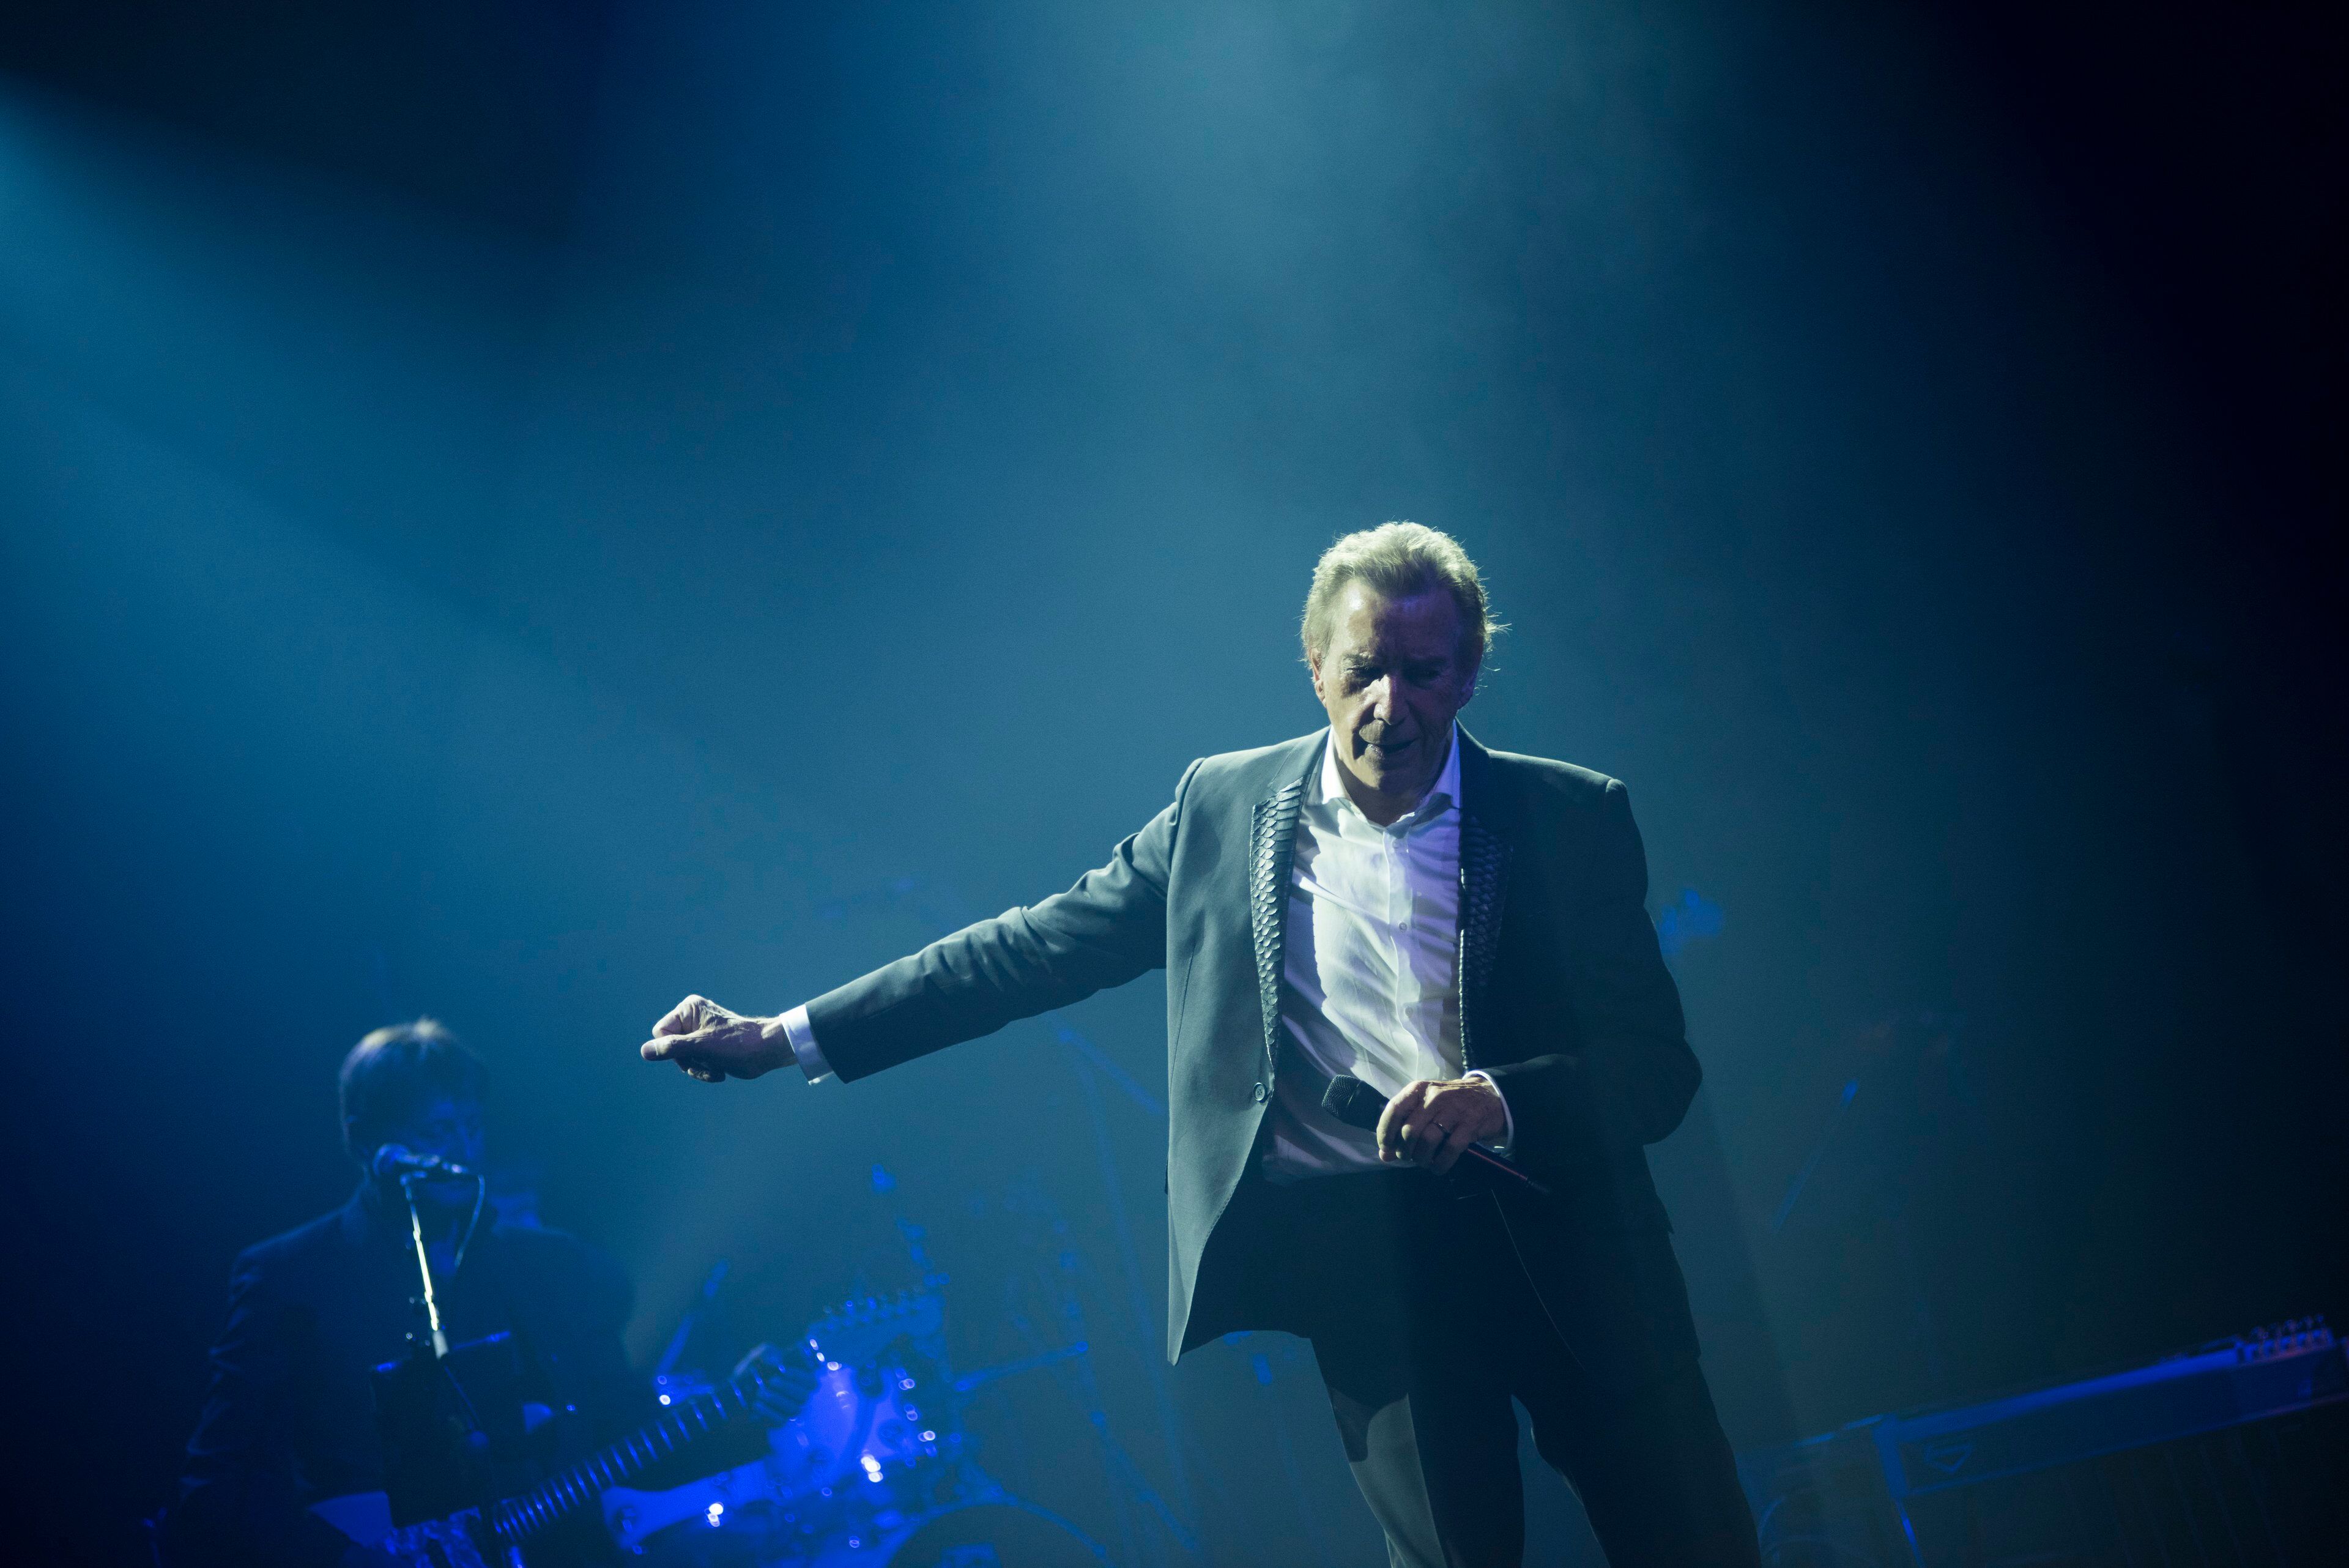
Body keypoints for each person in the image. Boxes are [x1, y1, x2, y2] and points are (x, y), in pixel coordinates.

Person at [642, 523, 1759, 1566]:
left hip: (1572, 1239)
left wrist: (1500, 1099)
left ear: (1470, 673)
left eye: (1424, 672)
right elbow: (1029, 949)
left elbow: (1655, 1068)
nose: (1392, 704)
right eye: (1365, 669)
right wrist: (786, 1035)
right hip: (1375, 1265)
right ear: (1314, 666)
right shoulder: (1224, 809)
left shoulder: (1568, 815)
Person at [168, 1020, 807, 1568]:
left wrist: (744, 1410)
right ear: (365, 1140)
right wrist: (346, 1559)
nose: (461, 1150)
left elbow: (625, 1436)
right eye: (434, 1131)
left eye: (471, 1126)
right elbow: (219, 1484)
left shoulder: (551, 1267)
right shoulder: (290, 1276)